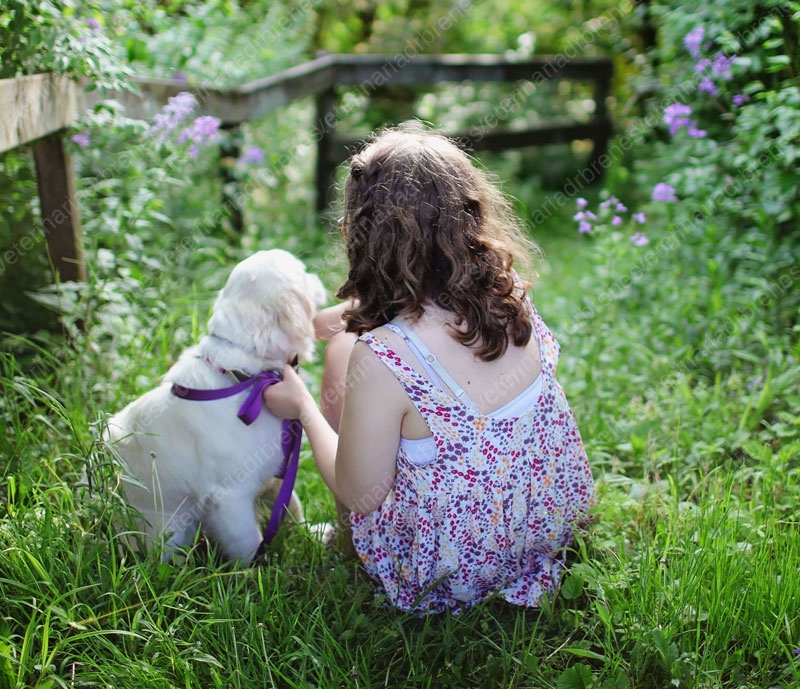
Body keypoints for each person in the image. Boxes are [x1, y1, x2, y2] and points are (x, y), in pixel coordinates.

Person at [264, 122, 595, 613]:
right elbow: (406, 319)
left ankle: (346, 541)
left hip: (450, 569)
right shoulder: (511, 298)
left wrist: (305, 410)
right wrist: (331, 320)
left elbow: (361, 495)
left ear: (357, 234)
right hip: (547, 527)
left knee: (341, 359)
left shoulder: (380, 357)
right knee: (346, 347)